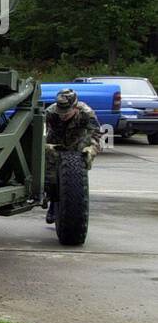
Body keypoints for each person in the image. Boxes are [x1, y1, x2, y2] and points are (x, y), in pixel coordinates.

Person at [44, 88, 102, 224]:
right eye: (61, 112)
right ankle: (53, 204)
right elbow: (38, 133)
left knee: (74, 178)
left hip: (77, 144)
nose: (63, 115)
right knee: (51, 176)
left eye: (66, 112)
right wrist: (45, 147)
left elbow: (97, 136)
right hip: (55, 144)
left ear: (75, 107)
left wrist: (90, 151)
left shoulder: (86, 114)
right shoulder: (51, 113)